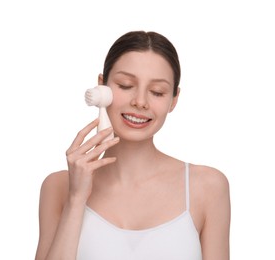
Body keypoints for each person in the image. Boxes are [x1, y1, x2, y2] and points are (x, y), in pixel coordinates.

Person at [35, 31, 231, 260]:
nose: (140, 101)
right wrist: (76, 199)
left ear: (174, 99)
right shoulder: (58, 186)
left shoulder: (208, 187)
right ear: (102, 86)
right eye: (126, 85)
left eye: (157, 91)